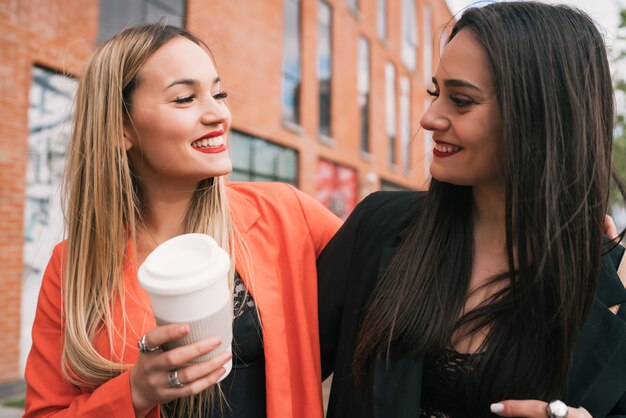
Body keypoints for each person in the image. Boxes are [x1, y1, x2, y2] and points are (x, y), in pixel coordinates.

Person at [317, 2, 626, 418]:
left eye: (460, 100)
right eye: (435, 92)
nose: (428, 118)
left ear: (539, 117)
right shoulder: (379, 226)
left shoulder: (613, 289)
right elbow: (271, 364)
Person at [24, 23, 341, 418]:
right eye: (185, 98)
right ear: (121, 128)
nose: (219, 114)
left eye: (219, 93)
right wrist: (135, 393)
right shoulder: (72, 266)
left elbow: (392, 289)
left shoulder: (284, 212)